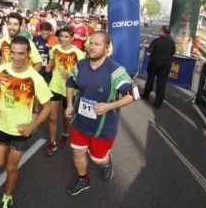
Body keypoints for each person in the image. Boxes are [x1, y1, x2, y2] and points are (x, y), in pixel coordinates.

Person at [65, 31, 135, 195]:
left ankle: (107, 162)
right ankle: (83, 180)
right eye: (91, 43)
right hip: (80, 121)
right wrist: (69, 104)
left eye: (97, 44)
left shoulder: (116, 70)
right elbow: (70, 82)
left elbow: (132, 95)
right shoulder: (80, 65)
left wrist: (109, 106)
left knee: (98, 158)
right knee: (77, 152)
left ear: (107, 47)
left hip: (102, 127)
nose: (92, 47)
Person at [0, 36, 52, 208]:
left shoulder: (35, 78)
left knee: (11, 167)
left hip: (20, 130)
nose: (16, 57)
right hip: (0, 125)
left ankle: (7, 197)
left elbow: (48, 106)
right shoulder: (1, 69)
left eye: (21, 53)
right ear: (9, 51)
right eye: (13, 52)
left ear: (28, 55)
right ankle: (8, 156)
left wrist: (33, 124)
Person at [45, 27, 85, 155]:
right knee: (52, 117)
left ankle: (65, 133)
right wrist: (49, 66)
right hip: (55, 86)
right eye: (61, 36)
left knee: (65, 117)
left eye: (66, 36)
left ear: (72, 38)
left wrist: (71, 74)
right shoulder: (54, 49)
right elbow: (51, 62)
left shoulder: (78, 53)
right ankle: (52, 143)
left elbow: (83, 72)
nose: (63, 39)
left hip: (69, 88)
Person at [141, 26, 175, 109]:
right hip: (166, 64)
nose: (159, 31)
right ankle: (158, 103)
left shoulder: (156, 41)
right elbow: (172, 52)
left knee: (150, 80)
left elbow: (148, 52)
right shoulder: (172, 42)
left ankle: (146, 96)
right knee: (162, 83)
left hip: (154, 63)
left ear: (163, 32)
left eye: (160, 30)